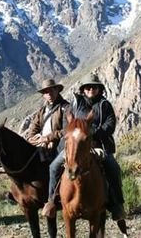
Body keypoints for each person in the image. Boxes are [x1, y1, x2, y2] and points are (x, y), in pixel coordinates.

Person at [41, 73, 126, 222]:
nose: (90, 90)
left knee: (113, 167)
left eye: (94, 87)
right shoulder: (76, 104)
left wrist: (92, 133)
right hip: (76, 146)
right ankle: (52, 201)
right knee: (54, 166)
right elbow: (69, 124)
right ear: (83, 89)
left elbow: (110, 125)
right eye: (87, 87)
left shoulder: (104, 105)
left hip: (98, 145)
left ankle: (117, 205)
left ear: (99, 89)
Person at [24, 79, 69, 163]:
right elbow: (34, 126)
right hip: (42, 144)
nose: (49, 94)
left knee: (54, 168)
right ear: (43, 95)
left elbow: (67, 130)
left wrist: (48, 138)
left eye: (51, 90)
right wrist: (31, 138)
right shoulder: (42, 111)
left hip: (58, 146)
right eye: (46, 92)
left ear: (57, 91)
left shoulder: (65, 108)